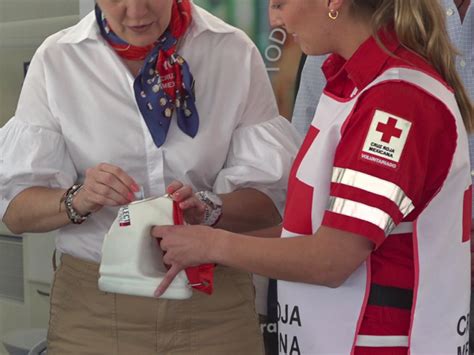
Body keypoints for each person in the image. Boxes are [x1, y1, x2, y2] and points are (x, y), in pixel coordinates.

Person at [152, 0, 474, 354]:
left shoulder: (393, 100)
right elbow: (313, 231)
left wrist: (211, 245)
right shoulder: (354, 84)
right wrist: (208, 233)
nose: (275, 19)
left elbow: (332, 259)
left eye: (280, 3)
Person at [0, 0, 301, 353]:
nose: (136, 12)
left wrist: (209, 208)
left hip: (213, 305)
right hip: (95, 310)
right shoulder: (59, 59)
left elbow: (272, 202)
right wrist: (77, 199)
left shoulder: (230, 51)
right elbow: (16, 211)